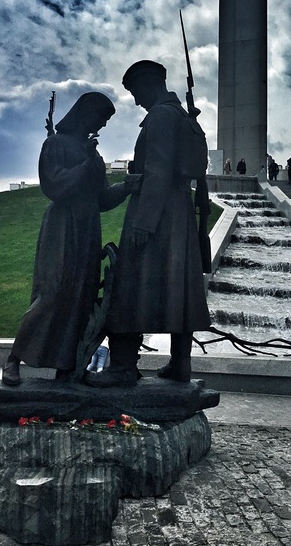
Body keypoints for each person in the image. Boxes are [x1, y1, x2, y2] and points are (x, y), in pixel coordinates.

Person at [2, 92, 138, 386]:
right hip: (63, 226)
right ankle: (14, 358)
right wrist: (85, 164)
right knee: (52, 292)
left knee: (82, 295)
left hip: (87, 227)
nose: (102, 124)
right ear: (86, 113)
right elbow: (54, 185)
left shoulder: (92, 151)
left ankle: (66, 365)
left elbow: (100, 197)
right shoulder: (55, 144)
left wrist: (126, 187)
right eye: (101, 117)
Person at [88, 60, 211, 388]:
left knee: (129, 285)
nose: (136, 99)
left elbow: (157, 169)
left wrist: (144, 221)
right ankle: (181, 364)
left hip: (155, 211)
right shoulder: (182, 116)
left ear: (148, 83)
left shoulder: (159, 116)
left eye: (136, 91)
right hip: (178, 214)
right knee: (178, 287)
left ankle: (123, 366)